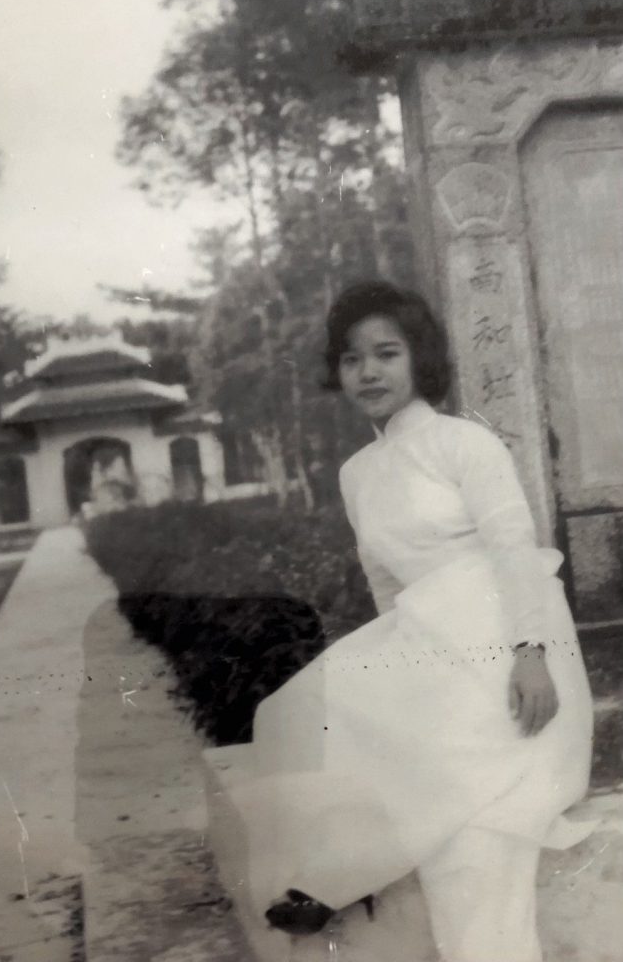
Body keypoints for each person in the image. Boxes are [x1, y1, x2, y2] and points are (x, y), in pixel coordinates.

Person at [234, 281, 594, 962]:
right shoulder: (355, 473)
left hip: (513, 650)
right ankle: (325, 870)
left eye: (385, 353)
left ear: (417, 360)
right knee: (295, 708)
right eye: (350, 359)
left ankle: (342, 869)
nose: (367, 371)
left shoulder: (463, 444)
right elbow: (386, 585)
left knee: (471, 839)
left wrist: (529, 653)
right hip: (431, 649)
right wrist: (393, 685)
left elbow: (513, 549)